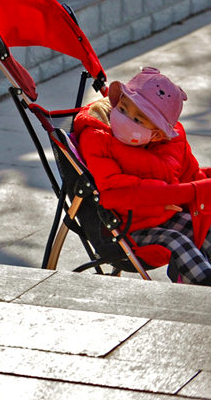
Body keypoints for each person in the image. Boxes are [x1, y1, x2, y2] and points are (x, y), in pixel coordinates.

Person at [73, 67, 211, 283]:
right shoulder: (97, 137)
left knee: (205, 226)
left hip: (165, 215)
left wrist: (199, 192)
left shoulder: (170, 143)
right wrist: (166, 200)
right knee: (179, 242)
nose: (126, 118)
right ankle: (202, 292)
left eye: (138, 120)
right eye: (123, 108)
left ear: (156, 135)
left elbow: (191, 175)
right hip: (129, 227)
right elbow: (115, 192)